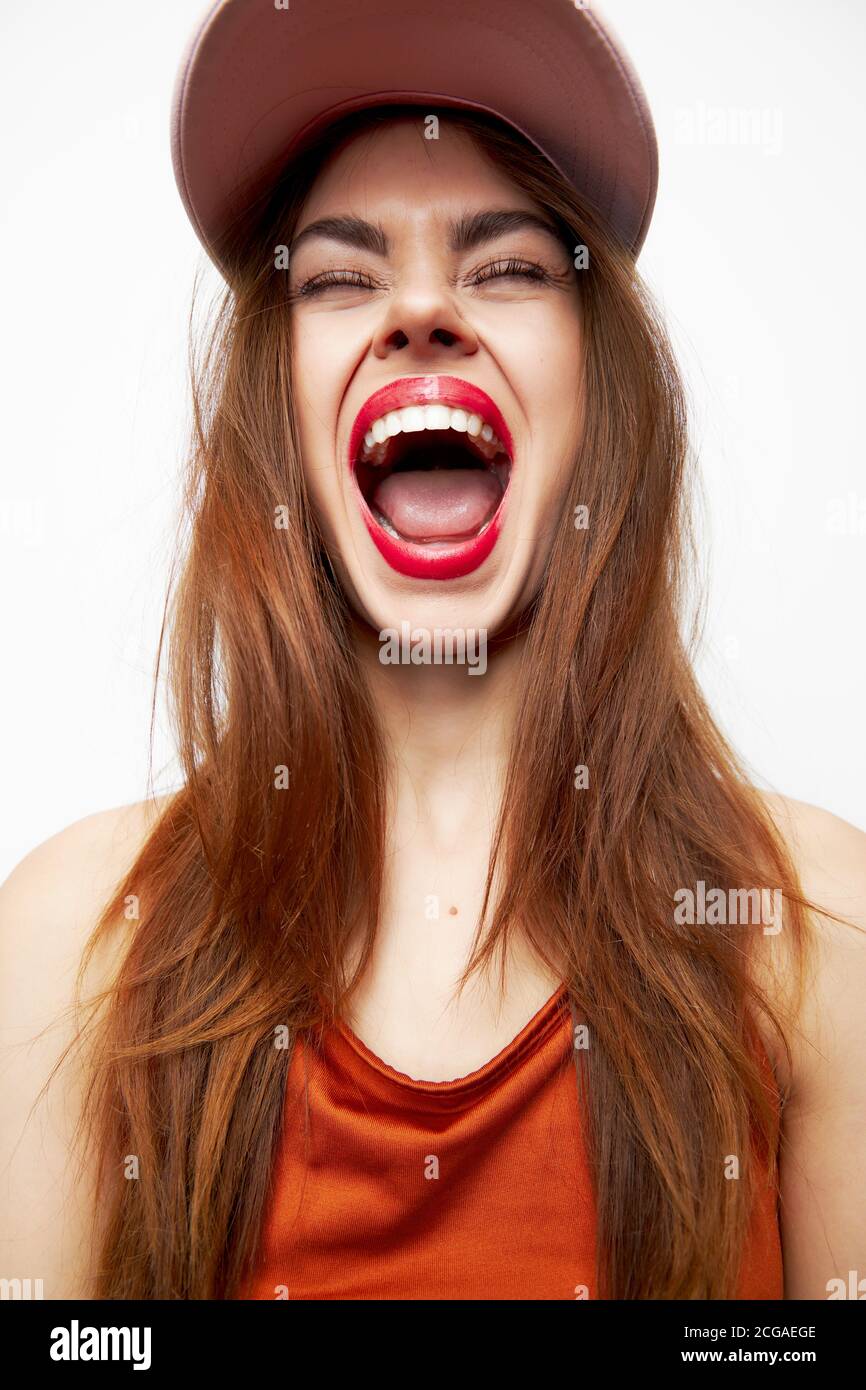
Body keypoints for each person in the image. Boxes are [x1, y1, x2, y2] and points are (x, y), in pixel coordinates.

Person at [2, 0, 864, 1301]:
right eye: (341, 277)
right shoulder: (76, 938)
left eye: (508, 267)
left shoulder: (808, 932)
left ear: (598, 395)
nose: (417, 308)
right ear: (276, 414)